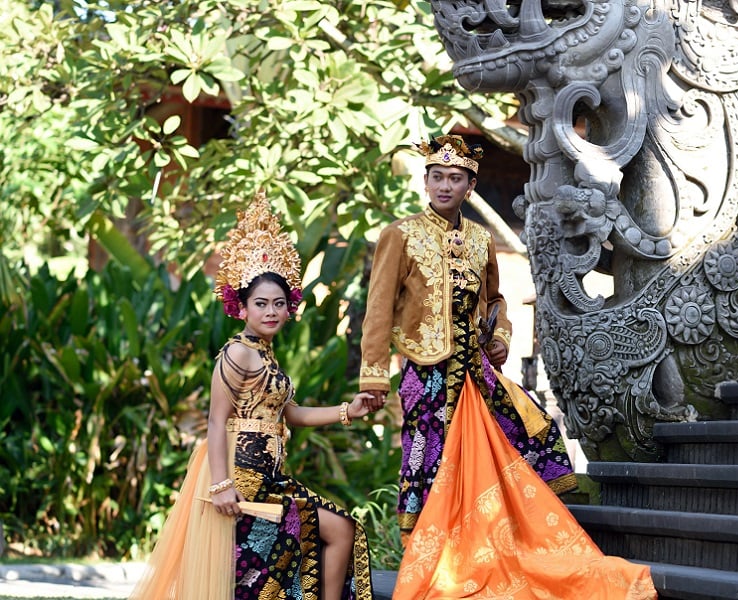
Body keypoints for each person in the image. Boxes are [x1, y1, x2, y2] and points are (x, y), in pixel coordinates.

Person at [359, 135, 657, 598]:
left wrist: (498, 338)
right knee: (429, 467)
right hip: (427, 373)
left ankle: (496, 547)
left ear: (469, 185)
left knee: (525, 437)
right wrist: (373, 379)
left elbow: (494, 301)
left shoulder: (481, 240)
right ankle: (434, 564)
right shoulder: (400, 235)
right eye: (437, 177)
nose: (444, 185)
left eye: (454, 178)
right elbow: (378, 310)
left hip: (476, 373)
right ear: (425, 181)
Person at [130, 193, 376, 600]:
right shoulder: (237, 352)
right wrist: (223, 485)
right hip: (243, 477)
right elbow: (216, 420)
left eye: (279, 304)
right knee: (264, 569)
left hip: (271, 476)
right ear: (241, 308)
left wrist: (347, 411)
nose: (271, 312)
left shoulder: (267, 355)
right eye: (260, 304)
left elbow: (289, 415)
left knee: (331, 534)